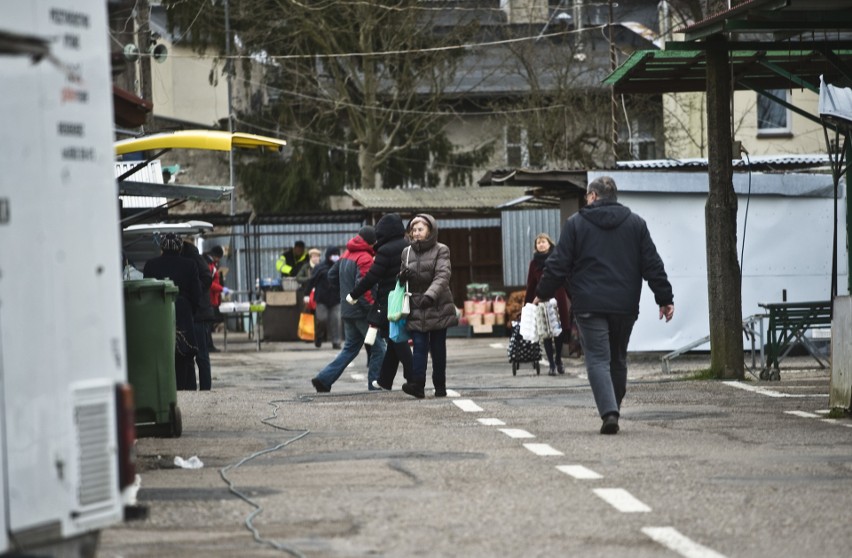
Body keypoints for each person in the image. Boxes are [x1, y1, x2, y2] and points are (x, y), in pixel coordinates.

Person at [534, 176, 674, 435]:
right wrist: (664, 298)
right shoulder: (636, 224)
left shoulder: (576, 224)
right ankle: (614, 407)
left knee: (598, 359)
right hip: (625, 304)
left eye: (588, 196)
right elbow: (652, 263)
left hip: (589, 304)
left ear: (593, 196)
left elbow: (558, 263)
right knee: (618, 358)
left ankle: (609, 411)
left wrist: (542, 292)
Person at [311, 227, 387, 392]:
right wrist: (372, 310)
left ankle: (324, 379)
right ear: (371, 242)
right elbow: (364, 288)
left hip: (347, 310)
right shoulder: (365, 258)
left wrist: (345, 293)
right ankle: (375, 386)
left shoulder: (346, 254)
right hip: (361, 312)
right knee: (379, 349)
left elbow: (331, 275)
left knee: (350, 348)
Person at [347, 213, 413, 391]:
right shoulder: (408, 245)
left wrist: (354, 294)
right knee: (393, 338)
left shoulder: (386, 250)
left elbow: (372, 277)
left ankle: (414, 375)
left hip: (390, 300)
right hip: (406, 296)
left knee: (396, 338)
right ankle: (385, 380)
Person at [398, 214, 458, 399]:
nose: (416, 233)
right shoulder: (406, 252)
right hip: (416, 305)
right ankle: (418, 385)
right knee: (419, 346)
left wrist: (430, 296)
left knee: (438, 347)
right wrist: (402, 277)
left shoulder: (441, 250)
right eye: (413, 230)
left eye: (420, 229)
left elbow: (442, 275)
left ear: (430, 231)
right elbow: (402, 279)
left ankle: (440, 385)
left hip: (437, 304)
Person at [143, 233, 203, 391]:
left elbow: (146, 294)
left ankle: (163, 389)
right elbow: (197, 294)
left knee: (161, 352)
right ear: (180, 247)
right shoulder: (190, 265)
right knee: (185, 354)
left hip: (158, 312)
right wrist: (191, 311)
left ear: (162, 247)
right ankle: (186, 390)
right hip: (183, 312)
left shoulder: (150, 265)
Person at [524, 233, 572, 376]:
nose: (541, 244)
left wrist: (573, 297)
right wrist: (527, 305)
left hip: (558, 299)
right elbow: (531, 285)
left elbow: (566, 279)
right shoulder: (534, 264)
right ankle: (551, 364)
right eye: (538, 243)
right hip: (541, 299)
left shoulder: (557, 259)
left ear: (549, 243)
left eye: (543, 242)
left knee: (559, 332)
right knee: (546, 333)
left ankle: (558, 360)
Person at [180, 237, 214, 390]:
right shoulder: (190, 257)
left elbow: (207, 277)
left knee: (201, 355)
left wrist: (194, 292)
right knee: (193, 355)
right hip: (196, 312)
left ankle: (205, 389)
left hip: (199, 313)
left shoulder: (193, 257)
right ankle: (194, 388)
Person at [306, 246, 342, 349]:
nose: (335, 257)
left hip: (336, 299)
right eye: (333, 255)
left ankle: (336, 342)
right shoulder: (320, 267)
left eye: (337, 255)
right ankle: (319, 336)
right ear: (328, 256)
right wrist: (306, 294)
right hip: (322, 299)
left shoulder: (340, 266)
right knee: (322, 319)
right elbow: (312, 281)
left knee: (336, 320)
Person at [204, 245, 229, 353]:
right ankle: (209, 346)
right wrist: (221, 288)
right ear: (216, 256)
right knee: (208, 325)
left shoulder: (210, 264)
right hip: (209, 298)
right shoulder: (209, 266)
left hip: (211, 298)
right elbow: (209, 283)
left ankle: (209, 345)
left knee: (209, 325)